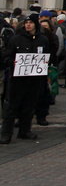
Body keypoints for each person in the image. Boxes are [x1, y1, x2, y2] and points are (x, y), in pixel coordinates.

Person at [1, 14, 52, 144]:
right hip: (17, 79)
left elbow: (48, 56)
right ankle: (6, 133)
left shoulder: (42, 40)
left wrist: (46, 66)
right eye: (26, 22)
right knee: (12, 106)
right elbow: (6, 55)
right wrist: (11, 62)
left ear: (36, 24)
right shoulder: (16, 39)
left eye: (31, 23)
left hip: (34, 79)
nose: (28, 25)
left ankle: (25, 130)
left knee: (29, 106)